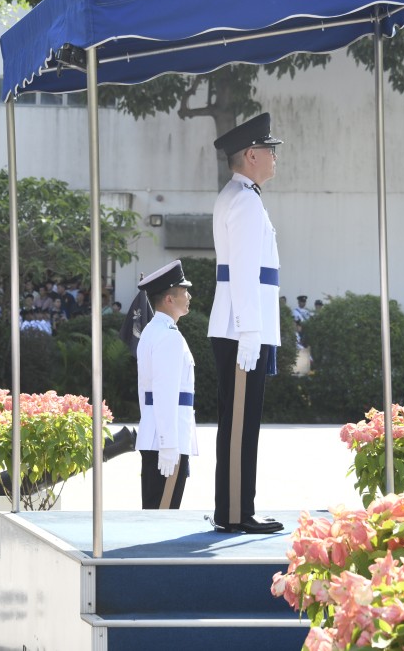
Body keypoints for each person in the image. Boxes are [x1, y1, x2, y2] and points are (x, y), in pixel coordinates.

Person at [207, 112, 284, 534]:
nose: (275, 158)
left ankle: (235, 508)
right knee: (239, 425)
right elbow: (243, 273)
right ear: (251, 155)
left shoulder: (241, 197)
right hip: (242, 331)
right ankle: (235, 512)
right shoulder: (245, 201)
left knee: (240, 422)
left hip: (241, 328)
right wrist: (252, 332)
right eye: (270, 151)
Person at [135, 261, 198, 510]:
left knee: (157, 510)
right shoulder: (168, 336)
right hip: (166, 440)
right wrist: (169, 443)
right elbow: (164, 393)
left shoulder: (155, 330)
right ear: (169, 299)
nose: (189, 296)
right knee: (162, 516)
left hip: (158, 435)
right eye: (184, 291)